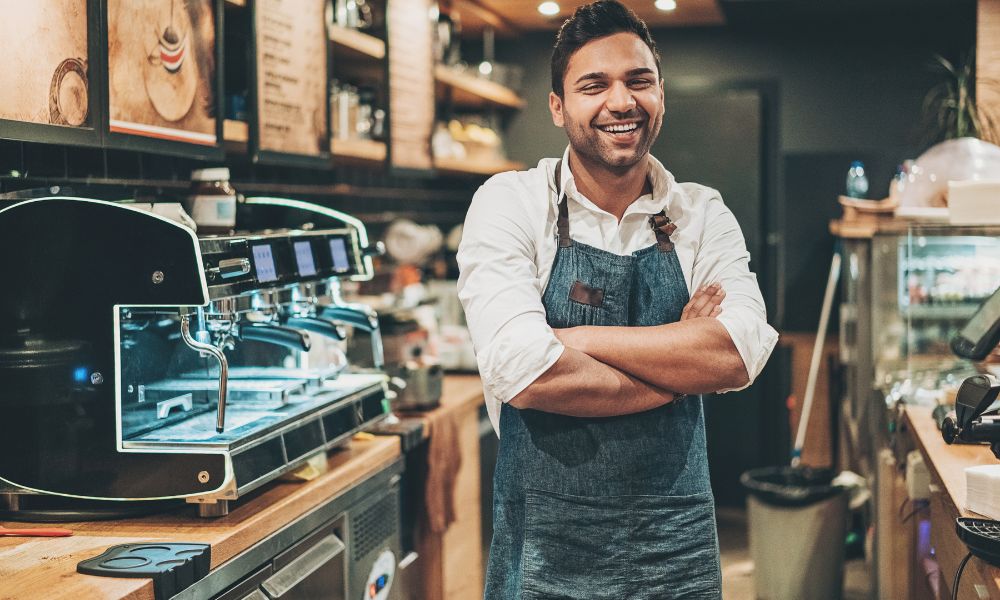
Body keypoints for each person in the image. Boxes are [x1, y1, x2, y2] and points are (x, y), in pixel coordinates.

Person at [457, 1, 778, 598]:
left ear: (661, 94)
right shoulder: (511, 204)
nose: (621, 101)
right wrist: (680, 372)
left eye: (639, 81)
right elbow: (526, 374)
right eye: (593, 85)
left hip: (675, 537)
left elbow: (737, 354)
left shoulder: (700, 213)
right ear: (558, 106)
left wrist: (574, 340)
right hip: (545, 546)